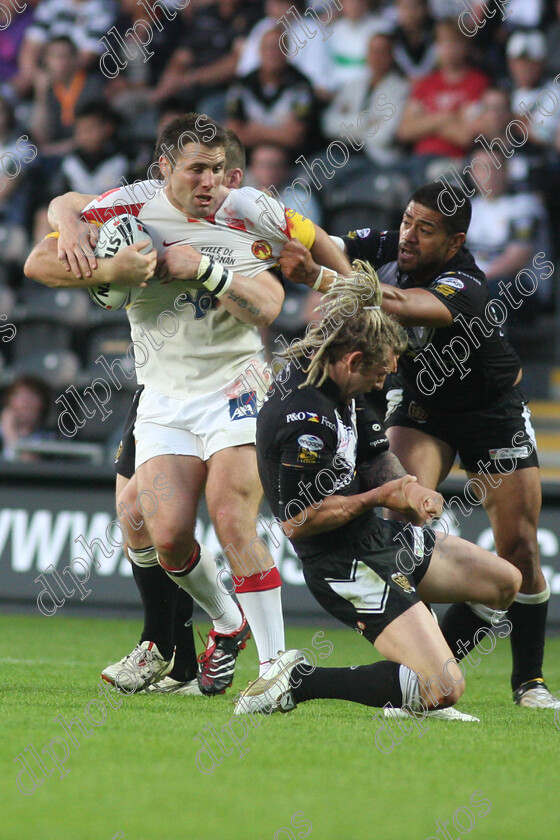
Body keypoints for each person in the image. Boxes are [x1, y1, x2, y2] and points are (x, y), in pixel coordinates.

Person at [24, 113, 350, 695]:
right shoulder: (129, 209)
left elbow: (271, 304)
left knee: (231, 516)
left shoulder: (247, 209)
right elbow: (38, 264)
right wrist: (105, 263)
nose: (210, 182)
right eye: (197, 169)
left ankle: (276, 667)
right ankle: (226, 621)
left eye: (219, 170)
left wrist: (204, 269)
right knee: (165, 533)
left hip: (237, 386)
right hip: (164, 396)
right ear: (163, 170)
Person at [278, 181, 559, 709]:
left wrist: (318, 274)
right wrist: (271, 225)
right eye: (407, 220)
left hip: (490, 410)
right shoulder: (386, 245)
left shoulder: (467, 284)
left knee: (518, 547)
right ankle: (422, 678)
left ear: (454, 243)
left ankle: (529, 682)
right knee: (400, 525)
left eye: (424, 230)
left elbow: (404, 305)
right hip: (423, 406)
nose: (408, 235)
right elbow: (324, 239)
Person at [234, 265, 520, 717]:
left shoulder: (343, 391)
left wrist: (409, 487)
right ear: (352, 361)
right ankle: (298, 681)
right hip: (341, 562)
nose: (383, 382)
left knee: (504, 583)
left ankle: (419, 687)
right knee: (445, 686)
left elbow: (374, 456)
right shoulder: (304, 417)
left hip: (378, 539)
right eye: (380, 373)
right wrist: (378, 499)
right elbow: (297, 522)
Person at [0, 375, 53, 461]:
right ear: (9, 401)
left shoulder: (51, 438)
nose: (26, 402)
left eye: (33, 396)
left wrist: (10, 434)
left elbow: (28, 466)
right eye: (21, 396)